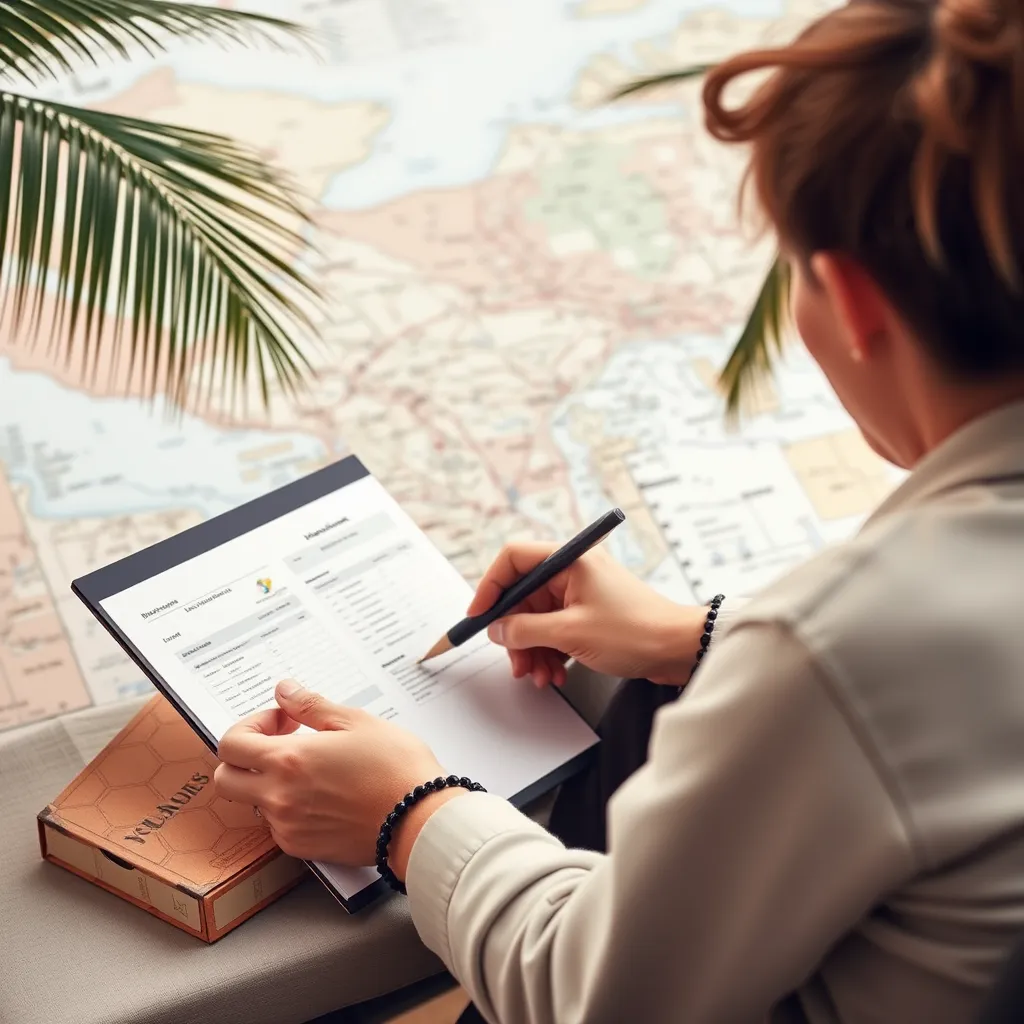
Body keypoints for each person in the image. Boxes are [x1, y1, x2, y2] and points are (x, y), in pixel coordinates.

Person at [212, 0, 1024, 1018]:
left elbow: (593, 995)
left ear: (852, 301)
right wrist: (700, 641)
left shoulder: (845, 648)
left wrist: (405, 811)